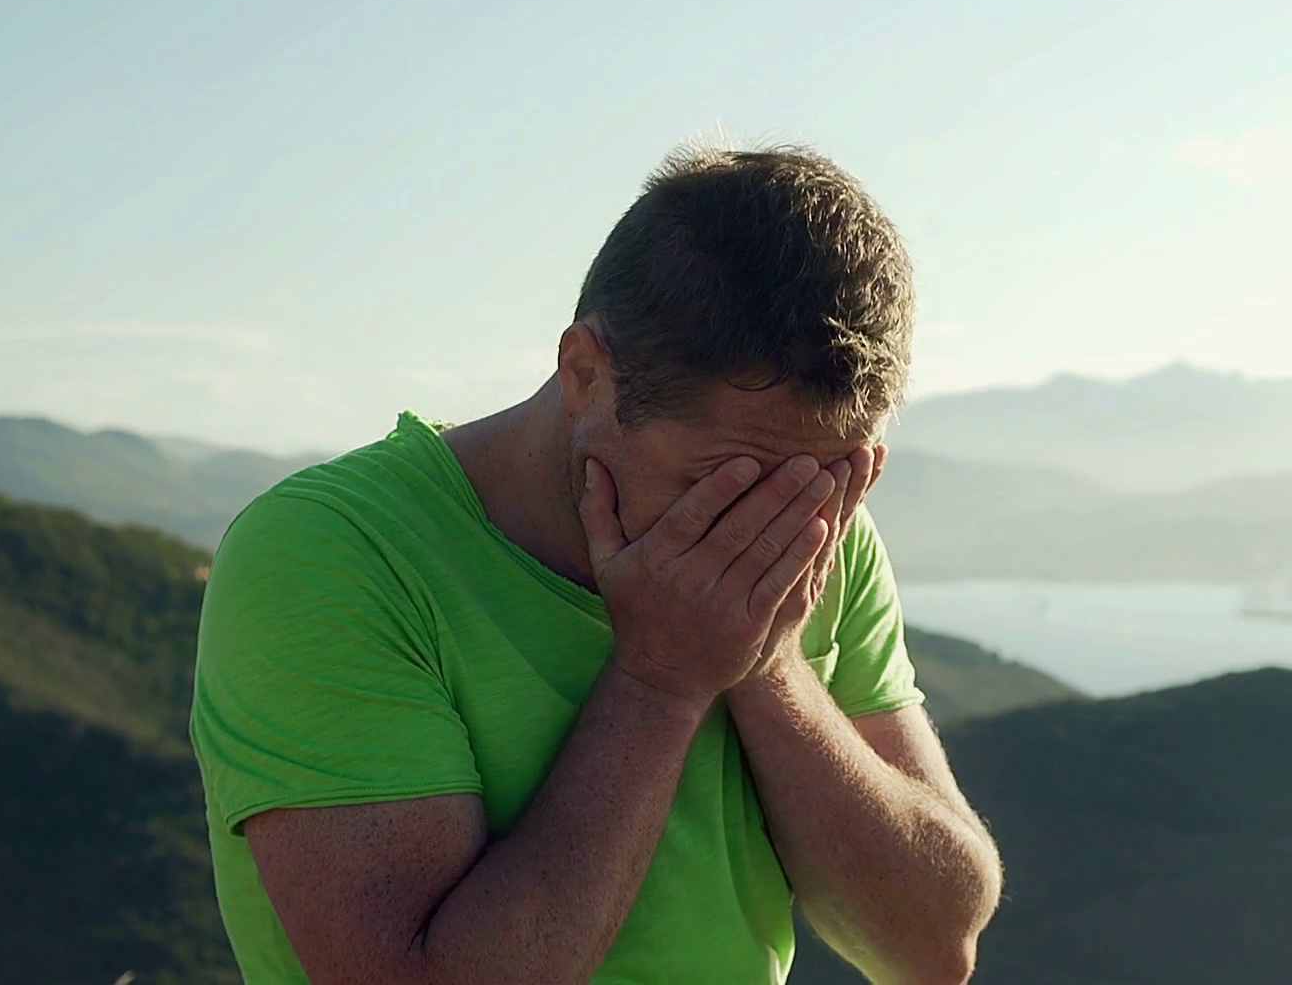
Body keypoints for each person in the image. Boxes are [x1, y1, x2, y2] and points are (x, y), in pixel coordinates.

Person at [190, 143, 1004, 984]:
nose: (765, 526)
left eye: (824, 479)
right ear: (586, 373)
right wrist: (661, 679)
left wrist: (767, 660)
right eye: (719, 482)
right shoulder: (334, 553)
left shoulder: (816, 529)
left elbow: (932, 946)